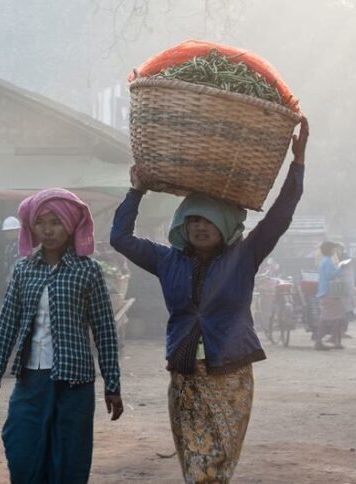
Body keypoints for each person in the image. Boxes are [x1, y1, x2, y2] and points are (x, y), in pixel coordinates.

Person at [111, 118, 308, 482]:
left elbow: (280, 217)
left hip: (231, 372)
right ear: (182, 225)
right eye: (193, 220)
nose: (200, 227)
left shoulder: (245, 256)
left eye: (209, 221)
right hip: (185, 372)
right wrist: (135, 191)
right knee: (193, 456)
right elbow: (121, 239)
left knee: (218, 458)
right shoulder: (167, 259)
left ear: (226, 226)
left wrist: (297, 165)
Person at [0, 188, 123, 483]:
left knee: (70, 457)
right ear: (31, 226)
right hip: (30, 379)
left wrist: (112, 384)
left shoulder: (88, 271)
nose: (48, 230)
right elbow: (7, 324)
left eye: (56, 222)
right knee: (20, 445)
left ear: (70, 225)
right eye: (41, 222)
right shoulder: (23, 270)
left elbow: (105, 331)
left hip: (74, 383)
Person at [317, 241, 348, 350]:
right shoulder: (328, 262)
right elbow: (331, 275)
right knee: (337, 317)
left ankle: (322, 341)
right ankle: (334, 341)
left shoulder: (323, 262)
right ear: (330, 250)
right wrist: (340, 268)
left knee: (325, 317)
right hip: (330, 293)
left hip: (323, 292)